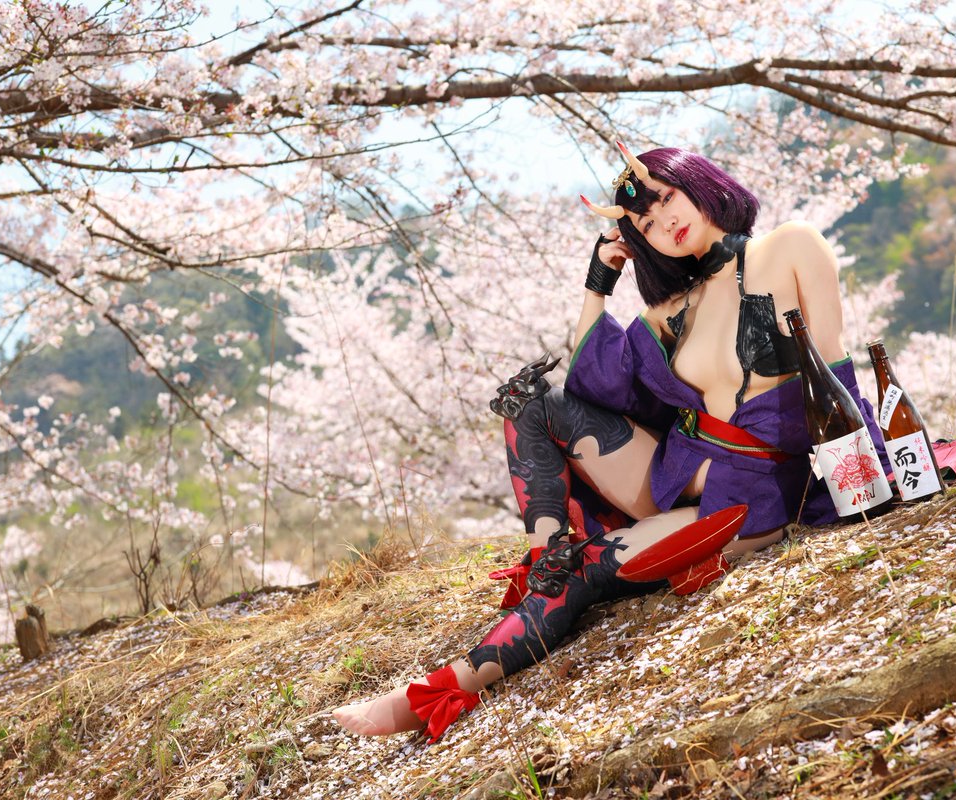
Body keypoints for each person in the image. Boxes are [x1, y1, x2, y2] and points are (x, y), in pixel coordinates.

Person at [332, 142, 890, 742]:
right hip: (680, 470)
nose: (664, 223)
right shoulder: (672, 308)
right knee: (532, 403)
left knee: (587, 570)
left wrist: (870, 480)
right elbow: (592, 381)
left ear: (698, 183)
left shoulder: (790, 246)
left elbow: (837, 375)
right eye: (645, 224)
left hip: (752, 499)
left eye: (666, 198)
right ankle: (545, 561)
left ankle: (442, 689)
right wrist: (599, 281)